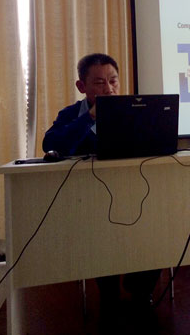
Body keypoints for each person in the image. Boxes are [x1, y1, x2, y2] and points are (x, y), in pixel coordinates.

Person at [43, 53, 161, 322]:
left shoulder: (135, 109)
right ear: (81, 86)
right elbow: (51, 144)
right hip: (90, 200)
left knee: (156, 228)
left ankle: (141, 290)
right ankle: (109, 294)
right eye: (99, 83)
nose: (109, 89)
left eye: (113, 81)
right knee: (99, 236)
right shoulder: (72, 114)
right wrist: (90, 117)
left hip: (135, 193)